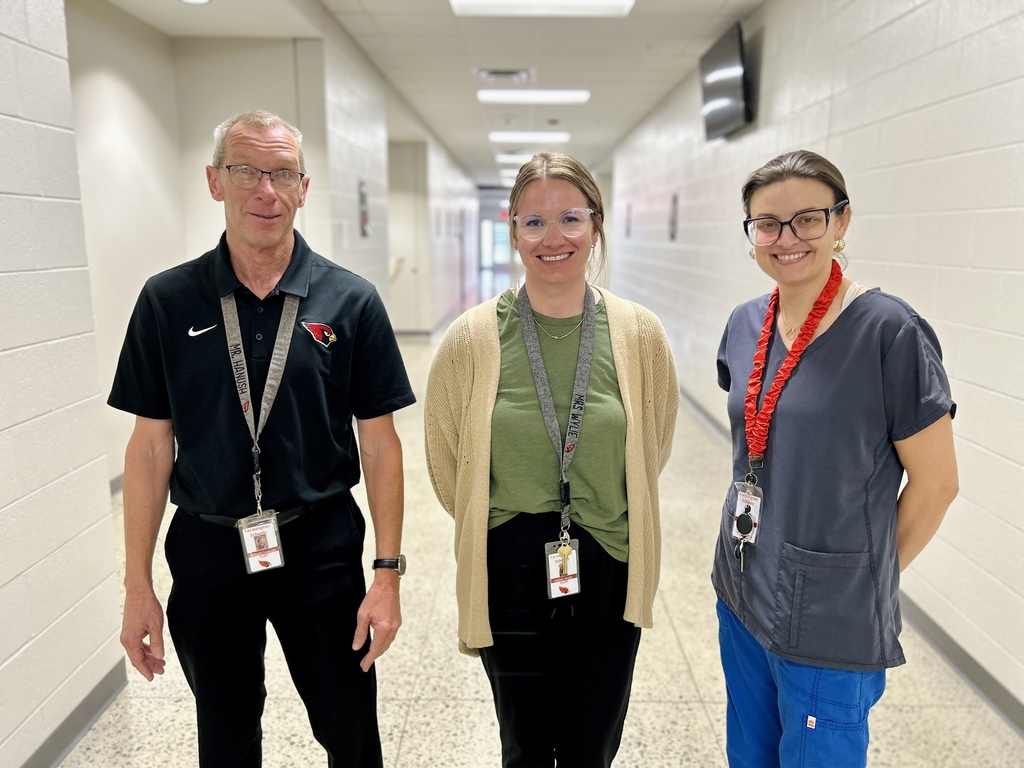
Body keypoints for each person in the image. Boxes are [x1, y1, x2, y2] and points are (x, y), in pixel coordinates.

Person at [108, 109, 415, 767]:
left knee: (350, 729)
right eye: (246, 171)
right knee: (224, 731)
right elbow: (150, 448)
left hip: (321, 546)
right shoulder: (167, 301)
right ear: (215, 181)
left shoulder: (351, 301)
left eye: (282, 174)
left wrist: (387, 574)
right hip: (208, 547)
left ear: (304, 188)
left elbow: (382, 444)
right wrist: (137, 583)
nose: (265, 192)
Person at [424, 152, 679, 767]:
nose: (553, 237)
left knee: (594, 742)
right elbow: (445, 458)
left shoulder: (639, 334)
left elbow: (653, 443)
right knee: (526, 742)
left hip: (611, 555)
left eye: (570, 217)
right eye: (532, 222)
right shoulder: (471, 339)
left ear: (595, 225)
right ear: (512, 231)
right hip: (507, 558)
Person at [713, 149, 959, 767]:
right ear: (751, 236)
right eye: (767, 223)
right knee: (750, 755)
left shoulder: (889, 332)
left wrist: (859, 581)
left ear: (842, 222)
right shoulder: (746, 324)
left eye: (808, 219)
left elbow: (936, 485)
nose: (786, 238)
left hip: (828, 615)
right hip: (742, 584)